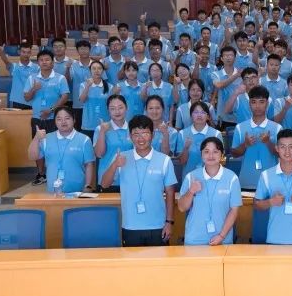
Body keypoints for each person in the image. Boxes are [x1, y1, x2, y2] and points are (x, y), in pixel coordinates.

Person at [101, 115, 177, 247]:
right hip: (130, 225)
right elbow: (104, 184)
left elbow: (170, 193)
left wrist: (169, 222)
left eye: (145, 133)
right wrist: (114, 165)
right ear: (130, 136)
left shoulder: (165, 160)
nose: (140, 138)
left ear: (152, 135)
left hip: (158, 225)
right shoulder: (121, 157)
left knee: (158, 261)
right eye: (136, 134)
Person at [178, 136, 242, 246]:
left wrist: (221, 236)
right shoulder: (191, 177)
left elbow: (234, 210)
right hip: (195, 240)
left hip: (223, 240)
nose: (211, 156)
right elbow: (181, 207)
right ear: (201, 154)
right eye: (206, 152)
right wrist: (191, 191)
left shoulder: (232, 178)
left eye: (215, 152)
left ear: (222, 154)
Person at [23, 49, 71, 185]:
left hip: (55, 119)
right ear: (38, 63)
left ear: (52, 62)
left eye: (47, 60)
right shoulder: (32, 78)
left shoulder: (60, 78)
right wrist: (33, 89)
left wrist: (50, 110)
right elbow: (26, 98)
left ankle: (55, 172)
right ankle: (41, 174)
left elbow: (65, 96)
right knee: (38, 146)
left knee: (55, 146)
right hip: (37, 118)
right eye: (41, 60)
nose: (44, 62)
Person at [28, 106, 95, 195]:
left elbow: (89, 164)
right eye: (59, 119)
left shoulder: (84, 140)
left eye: (67, 118)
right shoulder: (46, 138)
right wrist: (36, 138)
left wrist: (88, 185)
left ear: (74, 120)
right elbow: (32, 157)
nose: (63, 122)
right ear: (55, 121)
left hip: (77, 191)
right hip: (53, 192)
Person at [231, 85, 281, 190]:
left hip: (271, 183)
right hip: (246, 181)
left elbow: (281, 154)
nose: (257, 106)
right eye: (254, 102)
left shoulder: (277, 128)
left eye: (261, 102)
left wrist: (268, 142)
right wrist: (245, 145)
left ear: (267, 103)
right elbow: (234, 154)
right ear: (249, 104)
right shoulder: (240, 127)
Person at [174, 101, 223, 182]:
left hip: (211, 180)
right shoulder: (182, 134)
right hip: (189, 179)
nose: (199, 115)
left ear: (208, 117)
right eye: (196, 112)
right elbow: (182, 162)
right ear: (191, 116)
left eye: (203, 112)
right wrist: (186, 148)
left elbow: (219, 161)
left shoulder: (216, 134)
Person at [93, 94, 132, 190]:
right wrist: (102, 132)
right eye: (112, 109)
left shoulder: (133, 129)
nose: (117, 112)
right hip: (107, 180)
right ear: (108, 110)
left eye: (120, 107)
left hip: (130, 179)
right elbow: (99, 154)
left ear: (126, 108)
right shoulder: (100, 129)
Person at [0, 42, 38, 110]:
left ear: (30, 53)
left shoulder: (37, 67)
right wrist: (1, 52)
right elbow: (6, 61)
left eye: (28, 52)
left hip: (32, 100)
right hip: (17, 101)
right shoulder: (14, 67)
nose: (26, 54)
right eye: (23, 52)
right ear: (19, 52)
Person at [77, 60, 111, 136]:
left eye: (99, 68)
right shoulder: (83, 85)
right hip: (88, 125)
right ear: (90, 71)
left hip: (105, 124)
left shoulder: (109, 86)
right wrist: (87, 86)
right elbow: (82, 100)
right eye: (94, 68)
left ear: (103, 71)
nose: (97, 71)